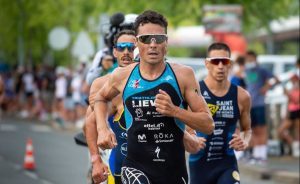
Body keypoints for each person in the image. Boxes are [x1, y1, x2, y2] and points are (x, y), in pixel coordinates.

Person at [94, 10, 214, 184]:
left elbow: (208, 124)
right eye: (145, 38)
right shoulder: (122, 75)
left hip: (173, 171)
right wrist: (102, 129)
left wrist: (175, 111)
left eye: (158, 38)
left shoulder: (183, 75)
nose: (152, 45)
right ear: (136, 42)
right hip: (135, 168)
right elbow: (100, 97)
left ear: (166, 42)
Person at [188, 43, 252, 184]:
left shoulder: (242, 96)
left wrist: (244, 140)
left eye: (225, 61)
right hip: (200, 165)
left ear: (231, 64)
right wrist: (192, 138)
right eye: (216, 61)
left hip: (227, 163)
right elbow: (183, 125)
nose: (221, 66)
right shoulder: (195, 92)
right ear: (207, 64)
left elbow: (247, 130)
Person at [84, 29, 136, 184]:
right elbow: (89, 123)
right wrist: (96, 160)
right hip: (114, 161)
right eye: (122, 47)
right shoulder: (102, 84)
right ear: (115, 51)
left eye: (131, 48)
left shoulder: (149, 82)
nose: (126, 52)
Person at [244, 50, 280, 163]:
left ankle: (262, 155)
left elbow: (276, 79)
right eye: (248, 59)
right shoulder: (246, 71)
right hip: (250, 105)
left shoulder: (261, 70)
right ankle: (256, 155)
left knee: (262, 130)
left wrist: (267, 87)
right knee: (253, 130)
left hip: (259, 104)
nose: (249, 61)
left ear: (255, 59)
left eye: (251, 59)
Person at [277, 58, 300, 157]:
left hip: (297, 110)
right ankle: (293, 146)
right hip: (291, 111)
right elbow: (290, 101)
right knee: (281, 131)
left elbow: (296, 100)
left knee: (297, 131)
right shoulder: (292, 87)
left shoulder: (297, 87)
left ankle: (296, 149)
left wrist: (288, 94)